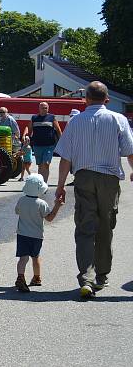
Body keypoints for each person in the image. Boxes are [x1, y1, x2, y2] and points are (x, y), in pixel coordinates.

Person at [54, 81, 133, 298]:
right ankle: (101, 277)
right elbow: (129, 152)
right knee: (106, 227)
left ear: (86, 99)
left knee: (85, 227)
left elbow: (65, 158)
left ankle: (86, 279)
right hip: (109, 179)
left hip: (84, 177)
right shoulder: (119, 119)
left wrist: (60, 186)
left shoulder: (75, 121)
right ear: (107, 100)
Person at [14, 174, 63, 292]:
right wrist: (57, 206)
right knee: (35, 257)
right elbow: (49, 218)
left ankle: (20, 277)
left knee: (23, 258)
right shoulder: (41, 204)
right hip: (36, 236)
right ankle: (36, 278)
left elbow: (17, 211)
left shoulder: (21, 200)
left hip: (22, 235)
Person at [23, 101, 62, 184]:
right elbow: (29, 130)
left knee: (46, 163)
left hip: (49, 145)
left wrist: (62, 142)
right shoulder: (34, 118)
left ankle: (44, 183)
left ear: (48, 108)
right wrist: (26, 137)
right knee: (40, 165)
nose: (44, 109)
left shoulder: (52, 117)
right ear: (39, 108)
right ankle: (40, 184)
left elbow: (58, 130)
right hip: (37, 145)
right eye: (42, 107)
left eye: (46, 108)